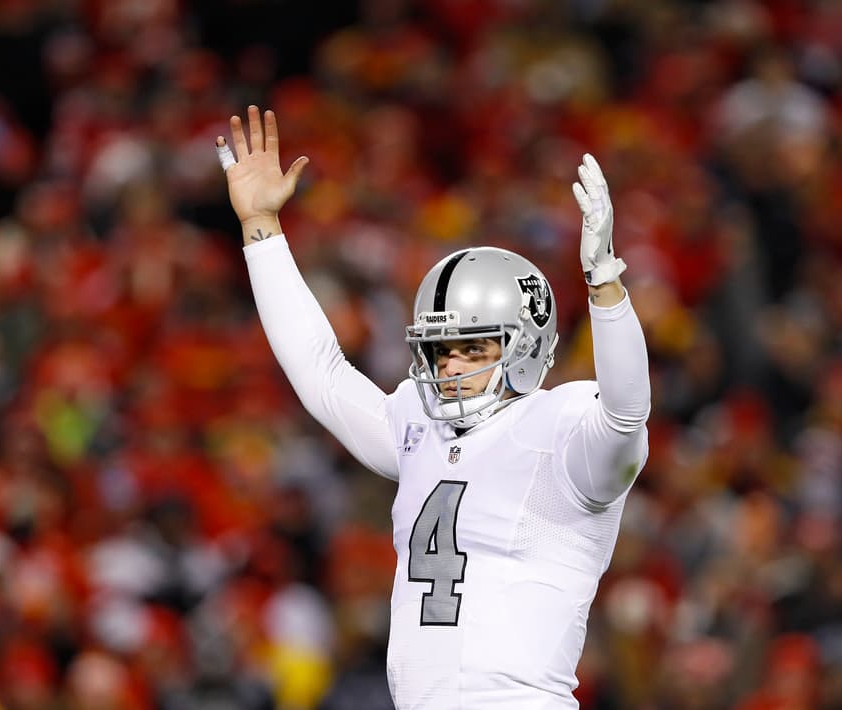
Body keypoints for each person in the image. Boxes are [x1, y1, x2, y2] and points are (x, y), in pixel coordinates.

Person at [217, 105, 651, 708]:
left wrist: (605, 284)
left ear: (525, 345)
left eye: (472, 347)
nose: (450, 365)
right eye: (441, 349)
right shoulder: (418, 427)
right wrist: (262, 227)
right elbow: (321, 374)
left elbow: (627, 414)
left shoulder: (563, 433)